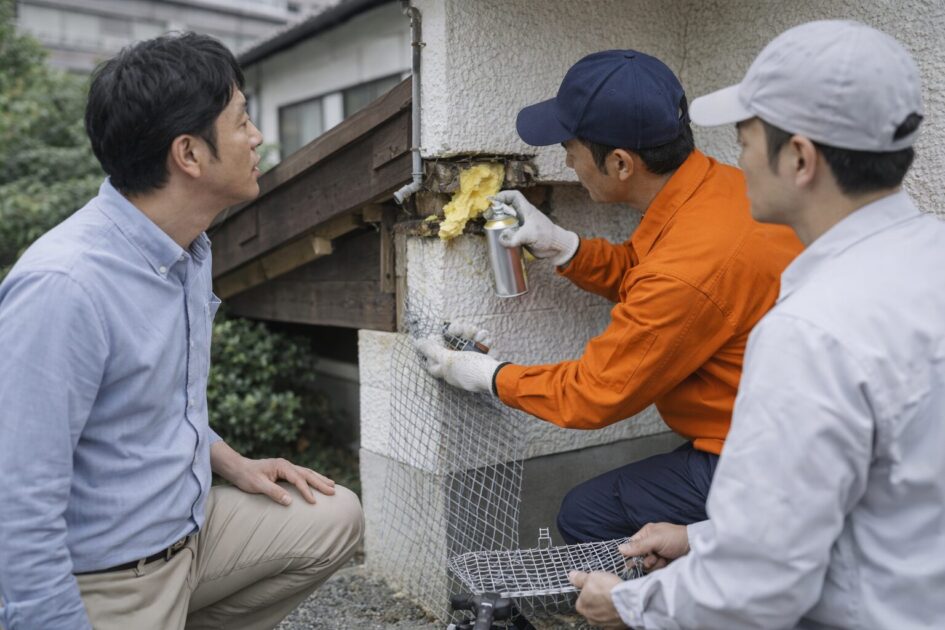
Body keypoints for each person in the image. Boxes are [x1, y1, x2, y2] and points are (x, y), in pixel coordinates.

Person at [569, 20, 945, 629]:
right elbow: (858, 503)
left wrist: (629, 604)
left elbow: (761, 585)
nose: (736, 161)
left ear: (799, 157)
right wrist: (705, 539)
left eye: (745, 139)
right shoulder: (929, 256)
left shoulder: (810, 331)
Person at [0, 33, 363, 630]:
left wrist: (229, 460)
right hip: (110, 574)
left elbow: (154, 398)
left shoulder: (186, 245)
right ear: (189, 155)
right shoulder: (65, 286)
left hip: (188, 531)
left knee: (334, 516)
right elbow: (18, 502)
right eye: (242, 120)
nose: (257, 137)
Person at [416, 50, 801, 543]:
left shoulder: (689, 268)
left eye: (570, 146)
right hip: (781, 430)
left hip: (773, 466)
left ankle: (684, 607)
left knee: (587, 515)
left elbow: (596, 394)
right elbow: (649, 276)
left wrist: (486, 376)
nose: (567, 160)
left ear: (620, 163)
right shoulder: (717, 190)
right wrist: (563, 246)